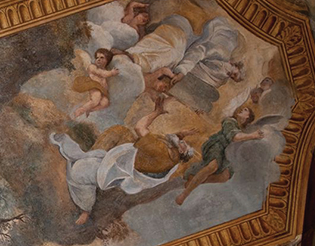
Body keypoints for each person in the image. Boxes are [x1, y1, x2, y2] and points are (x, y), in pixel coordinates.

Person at [51, 125, 196, 225]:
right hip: (116, 165)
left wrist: (156, 113)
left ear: (181, 152)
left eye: (183, 145)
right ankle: (65, 145)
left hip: (116, 171)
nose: (183, 142)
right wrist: (181, 134)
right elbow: (171, 141)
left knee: (79, 173)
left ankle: (85, 210)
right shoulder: (170, 156)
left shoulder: (163, 156)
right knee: (87, 160)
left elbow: (140, 128)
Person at [175, 104, 266, 206]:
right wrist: (252, 135)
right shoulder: (230, 121)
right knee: (212, 167)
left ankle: (194, 181)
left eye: (245, 110)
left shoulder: (242, 130)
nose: (241, 109)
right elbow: (235, 137)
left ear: (247, 117)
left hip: (227, 154)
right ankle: (184, 194)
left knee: (225, 176)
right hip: (217, 145)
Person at [71, 48, 119, 118]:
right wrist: (111, 73)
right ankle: (79, 111)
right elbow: (102, 74)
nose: (98, 59)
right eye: (97, 57)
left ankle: (90, 110)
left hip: (101, 89)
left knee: (105, 103)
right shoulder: (92, 67)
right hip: (94, 86)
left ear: (107, 60)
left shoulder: (105, 69)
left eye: (102, 57)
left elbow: (104, 80)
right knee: (96, 99)